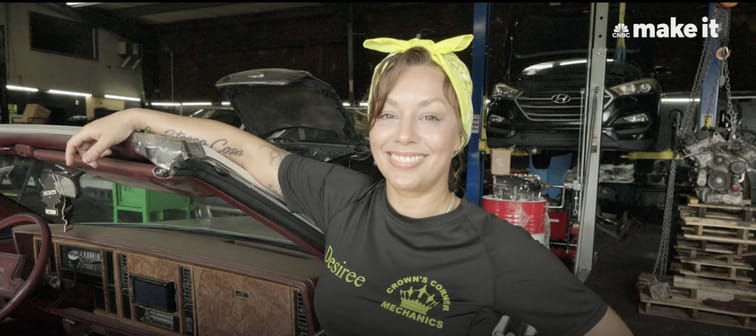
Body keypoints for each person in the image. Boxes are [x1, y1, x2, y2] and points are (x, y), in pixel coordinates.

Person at [65, 34, 633, 336]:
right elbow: (244, 150)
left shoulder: (499, 253)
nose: (404, 135)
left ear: (462, 133)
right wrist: (135, 119)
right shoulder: (342, 198)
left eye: (431, 116)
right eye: (389, 114)